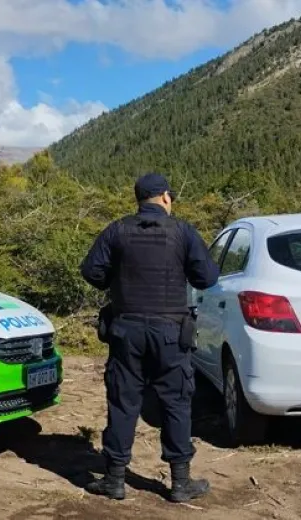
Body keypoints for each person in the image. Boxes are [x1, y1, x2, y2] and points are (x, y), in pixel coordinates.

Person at [79, 172, 220, 503]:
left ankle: (114, 479)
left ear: (139, 200)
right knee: (176, 402)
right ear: (167, 198)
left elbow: (91, 270)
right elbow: (207, 278)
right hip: (171, 332)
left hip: (126, 330)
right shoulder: (182, 232)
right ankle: (180, 483)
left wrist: (117, 282)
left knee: (123, 401)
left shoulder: (117, 229)